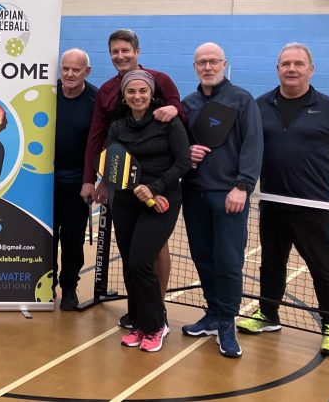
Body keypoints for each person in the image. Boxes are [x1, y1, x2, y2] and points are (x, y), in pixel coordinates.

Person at [237, 43, 329, 357]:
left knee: (324, 268)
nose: (291, 69)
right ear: (277, 70)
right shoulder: (260, 106)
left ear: (310, 69)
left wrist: (316, 180)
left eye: (298, 64)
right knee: (271, 264)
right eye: (286, 64)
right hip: (272, 203)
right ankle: (268, 314)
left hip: (314, 207)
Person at [83, 29, 186, 329]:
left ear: (137, 52)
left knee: (154, 248)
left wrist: (175, 109)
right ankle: (140, 309)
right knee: (132, 253)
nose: (120, 56)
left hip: (159, 186)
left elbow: (180, 115)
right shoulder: (106, 91)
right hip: (124, 186)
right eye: (115, 51)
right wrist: (97, 179)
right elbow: (98, 136)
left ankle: (157, 310)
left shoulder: (161, 79)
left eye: (125, 50)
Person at [178, 42, 262, 358]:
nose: (208, 67)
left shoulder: (242, 100)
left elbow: (253, 144)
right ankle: (213, 313)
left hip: (229, 196)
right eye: (202, 62)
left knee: (228, 261)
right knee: (203, 257)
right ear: (195, 66)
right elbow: (178, 145)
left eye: (213, 61)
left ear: (224, 64)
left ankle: (227, 322)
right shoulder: (188, 104)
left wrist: (243, 186)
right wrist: (186, 153)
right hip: (194, 194)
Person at [108, 70, 191, 352]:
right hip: (126, 201)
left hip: (162, 200)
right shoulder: (117, 127)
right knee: (130, 265)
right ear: (124, 96)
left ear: (151, 93)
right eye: (131, 91)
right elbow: (115, 164)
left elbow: (183, 162)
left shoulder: (168, 123)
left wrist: (154, 189)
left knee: (141, 261)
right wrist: (136, 188)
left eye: (143, 91)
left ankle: (156, 325)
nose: (137, 96)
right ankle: (139, 323)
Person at [53, 49, 97, 311]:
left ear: (86, 72)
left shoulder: (95, 99)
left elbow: (100, 143)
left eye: (76, 70)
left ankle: (69, 286)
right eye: (65, 68)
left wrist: (91, 180)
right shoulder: (48, 94)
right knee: (45, 237)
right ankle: (46, 285)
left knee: (72, 240)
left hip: (78, 184)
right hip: (45, 182)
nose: (69, 74)